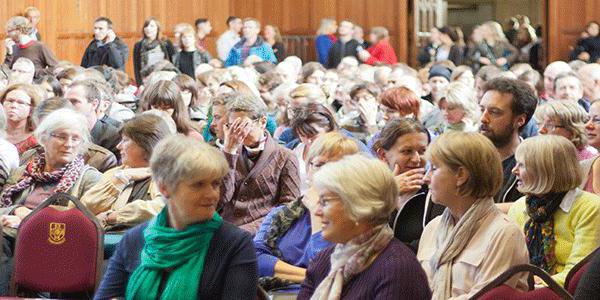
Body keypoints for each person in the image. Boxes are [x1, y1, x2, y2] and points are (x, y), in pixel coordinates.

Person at [95, 135, 257, 299]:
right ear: (165, 188)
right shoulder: (134, 239)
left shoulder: (234, 244)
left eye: (215, 184)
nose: (212, 194)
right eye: (198, 184)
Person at [298, 154, 432, 299]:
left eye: (325, 202)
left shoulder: (398, 269)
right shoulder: (324, 260)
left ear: (358, 205)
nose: (317, 211)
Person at [417, 132, 529, 299]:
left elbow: (485, 298)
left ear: (461, 175)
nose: (426, 178)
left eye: (434, 168)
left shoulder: (504, 234)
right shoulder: (432, 228)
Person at [254, 132, 358, 292]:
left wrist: (317, 213)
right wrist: (309, 275)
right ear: (308, 168)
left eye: (336, 166)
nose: (326, 173)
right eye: (319, 165)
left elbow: (326, 267)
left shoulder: (357, 219)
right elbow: (256, 257)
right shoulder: (282, 214)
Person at [508, 135, 600, 286]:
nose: (514, 170)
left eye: (521, 165)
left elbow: (578, 276)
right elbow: (510, 265)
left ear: (545, 169)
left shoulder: (591, 208)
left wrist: (533, 285)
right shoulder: (518, 207)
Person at [0, 108, 101, 236]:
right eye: (62, 137)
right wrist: (17, 210)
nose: (68, 144)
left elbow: (84, 225)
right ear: (43, 138)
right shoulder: (23, 172)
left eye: (75, 139)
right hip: (10, 235)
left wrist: (28, 221)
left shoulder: (89, 179)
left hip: (54, 242)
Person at [220, 93, 300, 234]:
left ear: (262, 122)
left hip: (262, 234)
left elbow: (288, 208)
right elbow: (221, 198)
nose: (236, 132)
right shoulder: (228, 152)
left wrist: (248, 230)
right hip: (225, 229)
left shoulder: (285, 157)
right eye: (232, 126)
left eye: (243, 125)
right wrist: (229, 153)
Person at [79, 114, 173, 230]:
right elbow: (81, 211)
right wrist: (121, 179)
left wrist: (113, 216)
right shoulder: (116, 173)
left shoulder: (167, 174)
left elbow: (164, 208)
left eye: (125, 140)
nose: (118, 146)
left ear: (146, 144)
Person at [373, 118, 444, 251]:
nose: (417, 159)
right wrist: (387, 195)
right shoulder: (371, 190)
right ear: (383, 155)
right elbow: (360, 237)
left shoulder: (437, 192)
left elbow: (429, 248)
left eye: (423, 151)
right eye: (407, 151)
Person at [479, 77, 538, 207]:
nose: (483, 118)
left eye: (494, 112)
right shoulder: (465, 156)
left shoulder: (531, 165)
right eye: (482, 109)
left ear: (520, 120)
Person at [65, 80, 122, 160]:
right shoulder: (60, 132)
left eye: (74, 102)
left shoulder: (114, 137)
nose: (68, 106)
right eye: (66, 102)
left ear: (94, 104)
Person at [132, 17, 176, 86]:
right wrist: (140, 84)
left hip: (164, 78)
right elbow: (137, 67)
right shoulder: (138, 45)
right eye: (146, 26)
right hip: (146, 80)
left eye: (152, 26)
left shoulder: (166, 43)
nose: (148, 28)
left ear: (157, 28)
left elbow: (173, 62)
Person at [0, 83, 41, 155]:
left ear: (31, 110)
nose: (14, 106)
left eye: (21, 103)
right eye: (10, 101)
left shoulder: (37, 142)